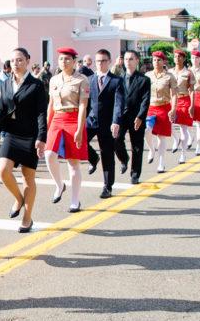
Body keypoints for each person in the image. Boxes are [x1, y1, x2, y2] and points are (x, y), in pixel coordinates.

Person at [0, 47, 47, 232]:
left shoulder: (36, 85)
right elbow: (0, 110)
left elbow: (41, 113)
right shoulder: (5, 84)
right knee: (3, 170)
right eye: (13, 60)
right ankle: (18, 198)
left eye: (20, 60)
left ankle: (27, 217)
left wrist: (41, 137)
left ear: (28, 61)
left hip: (30, 137)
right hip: (12, 135)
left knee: (28, 178)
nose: (16, 63)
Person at [44, 47, 90, 212]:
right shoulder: (54, 80)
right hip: (57, 118)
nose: (64, 62)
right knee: (49, 154)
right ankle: (59, 184)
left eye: (67, 59)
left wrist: (79, 129)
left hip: (73, 118)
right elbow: (50, 105)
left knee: (73, 162)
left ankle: (75, 200)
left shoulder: (82, 80)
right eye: (61, 59)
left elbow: (83, 106)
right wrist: (46, 128)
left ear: (74, 62)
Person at [85, 49, 124, 199]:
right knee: (80, 142)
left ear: (109, 61)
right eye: (97, 61)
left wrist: (115, 121)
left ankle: (107, 186)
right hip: (92, 120)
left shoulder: (116, 81)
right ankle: (93, 158)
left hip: (108, 123)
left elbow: (118, 104)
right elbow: (86, 102)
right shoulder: (90, 79)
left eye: (103, 61)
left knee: (107, 154)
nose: (100, 64)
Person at [114, 50, 151, 185]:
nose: (128, 62)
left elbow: (145, 100)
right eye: (126, 59)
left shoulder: (144, 80)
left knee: (137, 146)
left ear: (137, 61)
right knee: (116, 140)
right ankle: (124, 158)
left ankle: (135, 174)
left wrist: (141, 116)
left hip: (136, 117)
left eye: (131, 59)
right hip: (121, 116)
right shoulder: (118, 79)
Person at [144, 51, 178, 173]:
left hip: (164, 107)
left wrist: (173, 109)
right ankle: (151, 149)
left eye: (159, 60)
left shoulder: (169, 76)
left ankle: (161, 162)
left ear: (164, 62)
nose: (156, 62)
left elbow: (174, 95)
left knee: (161, 137)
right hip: (151, 108)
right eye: (154, 60)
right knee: (147, 130)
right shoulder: (147, 75)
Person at [169, 49, 196, 163]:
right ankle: (176, 139)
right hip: (171, 100)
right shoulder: (169, 72)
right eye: (175, 56)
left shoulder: (188, 73)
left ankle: (183, 154)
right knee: (168, 123)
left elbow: (192, 90)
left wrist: (192, 105)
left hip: (184, 100)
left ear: (184, 59)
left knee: (183, 128)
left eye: (180, 57)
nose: (177, 59)